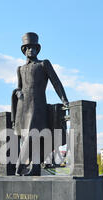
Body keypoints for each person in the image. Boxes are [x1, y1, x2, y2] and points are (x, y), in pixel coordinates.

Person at [11, 32, 69, 176]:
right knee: (30, 137)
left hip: (38, 106)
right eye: (28, 48)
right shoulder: (20, 69)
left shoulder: (44, 64)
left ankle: (19, 165)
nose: (31, 50)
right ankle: (35, 167)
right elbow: (19, 86)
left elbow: (56, 82)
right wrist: (17, 92)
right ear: (24, 50)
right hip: (22, 108)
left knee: (32, 134)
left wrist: (64, 100)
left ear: (37, 50)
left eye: (33, 48)